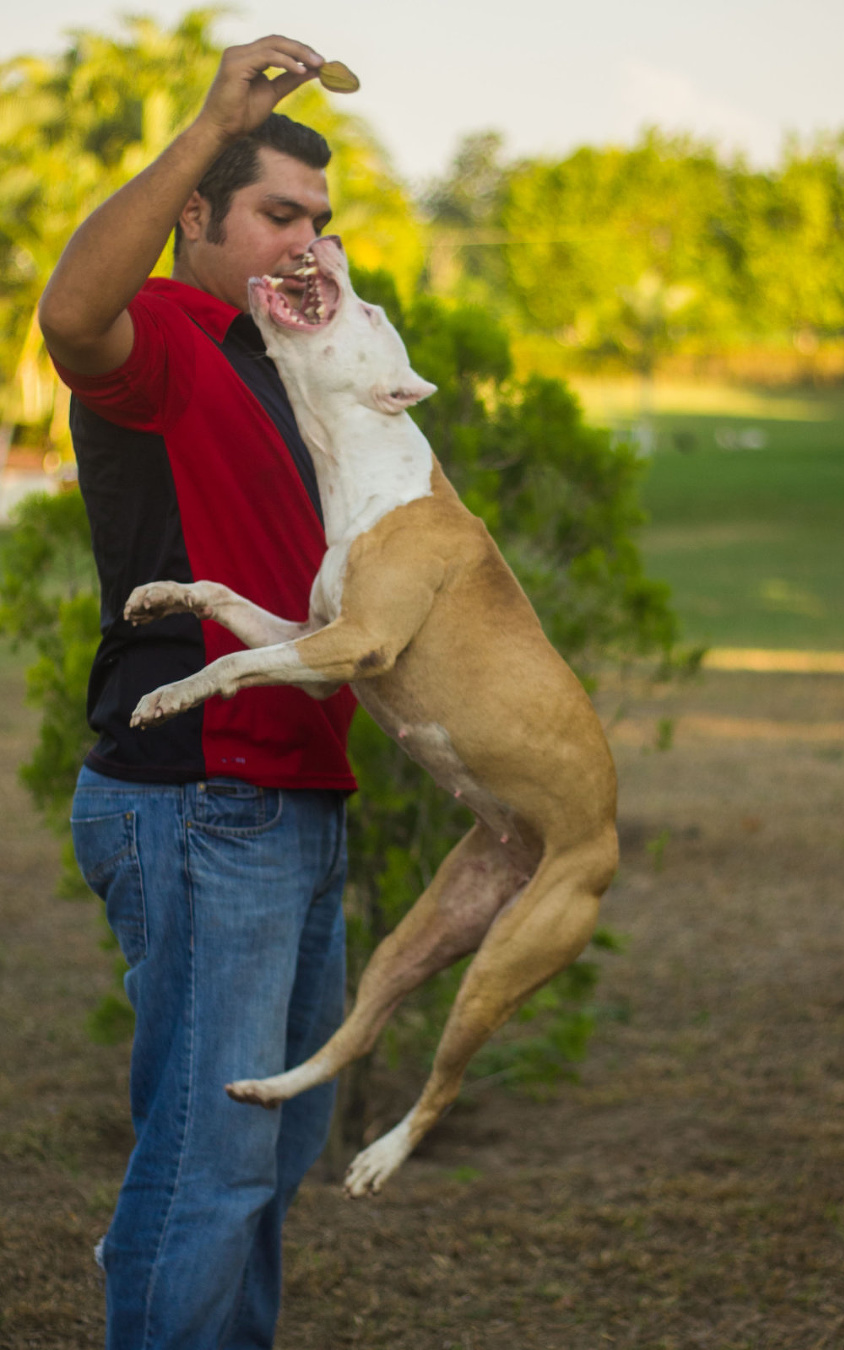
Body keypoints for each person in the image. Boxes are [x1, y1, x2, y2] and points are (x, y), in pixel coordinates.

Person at [38, 36, 357, 1350]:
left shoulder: (290, 364)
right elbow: (68, 315)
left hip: (294, 801)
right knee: (211, 1171)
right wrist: (211, 117)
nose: (307, 242)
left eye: (323, 222)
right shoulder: (165, 333)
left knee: (261, 1174)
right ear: (195, 219)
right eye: (279, 215)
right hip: (201, 797)